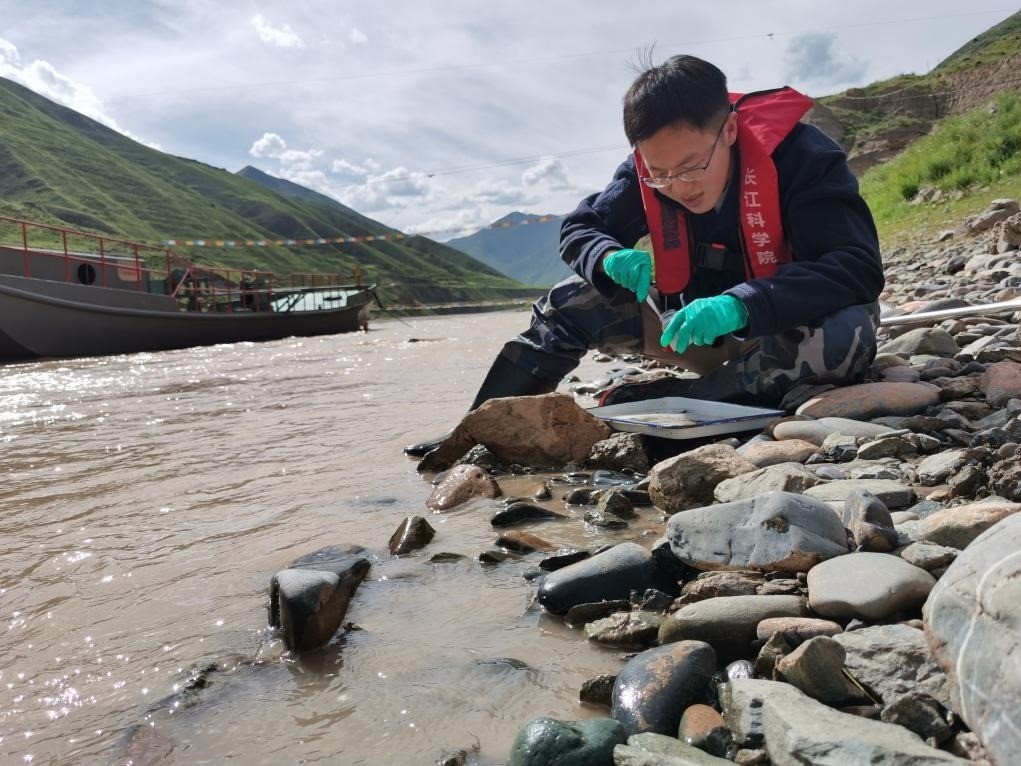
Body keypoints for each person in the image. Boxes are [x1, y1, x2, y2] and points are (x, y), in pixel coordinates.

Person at [405, 54, 884, 457]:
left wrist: (743, 304)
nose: (679, 186)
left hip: (777, 336)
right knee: (568, 301)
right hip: (686, 330)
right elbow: (579, 228)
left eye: (693, 167)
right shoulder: (647, 172)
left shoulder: (802, 157)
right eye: (660, 173)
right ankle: (477, 433)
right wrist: (606, 256)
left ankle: (680, 399)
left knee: (848, 330)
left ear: (731, 130)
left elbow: (856, 266)